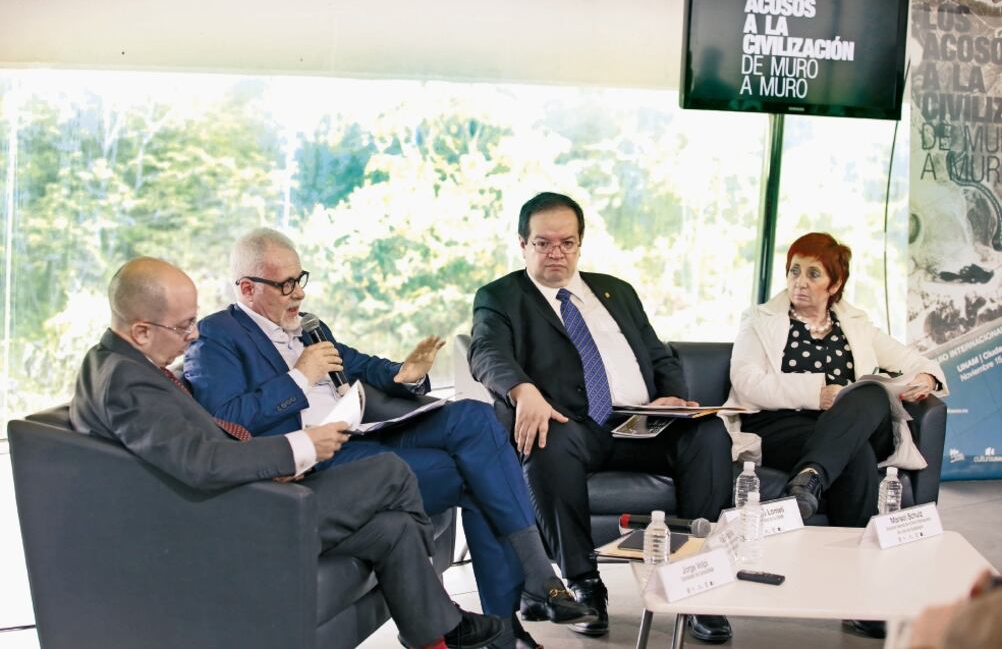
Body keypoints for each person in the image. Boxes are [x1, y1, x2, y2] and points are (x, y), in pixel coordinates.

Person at [184, 228, 594, 649]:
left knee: (475, 416)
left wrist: (403, 374)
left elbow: (359, 363)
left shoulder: (308, 327)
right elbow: (228, 421)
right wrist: (298, 377)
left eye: (300, 279)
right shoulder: (215, 337)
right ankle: (512, 622)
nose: (299, 295)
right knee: (480, 478)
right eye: (285, 285)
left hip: (365, 436)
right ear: (248, 288)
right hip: (317, 461)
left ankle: (534, 585)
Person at [69, 257, 503, 649]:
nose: (193, 334)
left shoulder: (118, 364)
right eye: (183, 326)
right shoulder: (127, 382)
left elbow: (193, 448)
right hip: (233, 520)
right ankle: (445, 621)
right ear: (141, 330)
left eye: (194, 321)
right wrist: (299, 448)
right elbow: (198, 462)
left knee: (393, 528)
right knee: (389, 471)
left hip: (244, 498)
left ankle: (435, 636)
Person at [469, 192, 734, 643]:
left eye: (566, 243)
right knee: (547, 438)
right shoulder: (501, 296)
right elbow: (486, 352)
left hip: (642, 423)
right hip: (571, 426)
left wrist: (671, 397)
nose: (556, 253)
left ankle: (697, 582)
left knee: (708, 433)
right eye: (543, 243)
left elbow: (660, 355)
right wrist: (523, 389)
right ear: (522, 243)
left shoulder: (617, 291)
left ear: (580, 243)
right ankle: (584, 585)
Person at [722, 232, 948, 639]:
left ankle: (810, 477)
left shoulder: (857, 325)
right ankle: (860, 596)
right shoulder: (759, 320)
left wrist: (928, 376)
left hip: (846, 423)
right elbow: (747, 381)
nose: (799, 283)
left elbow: (915, 360)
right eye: (794, 271)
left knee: (872, 393)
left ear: (835, 284)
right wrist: (816, 393)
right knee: (855, 455)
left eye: (813, 274)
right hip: (782, 424)